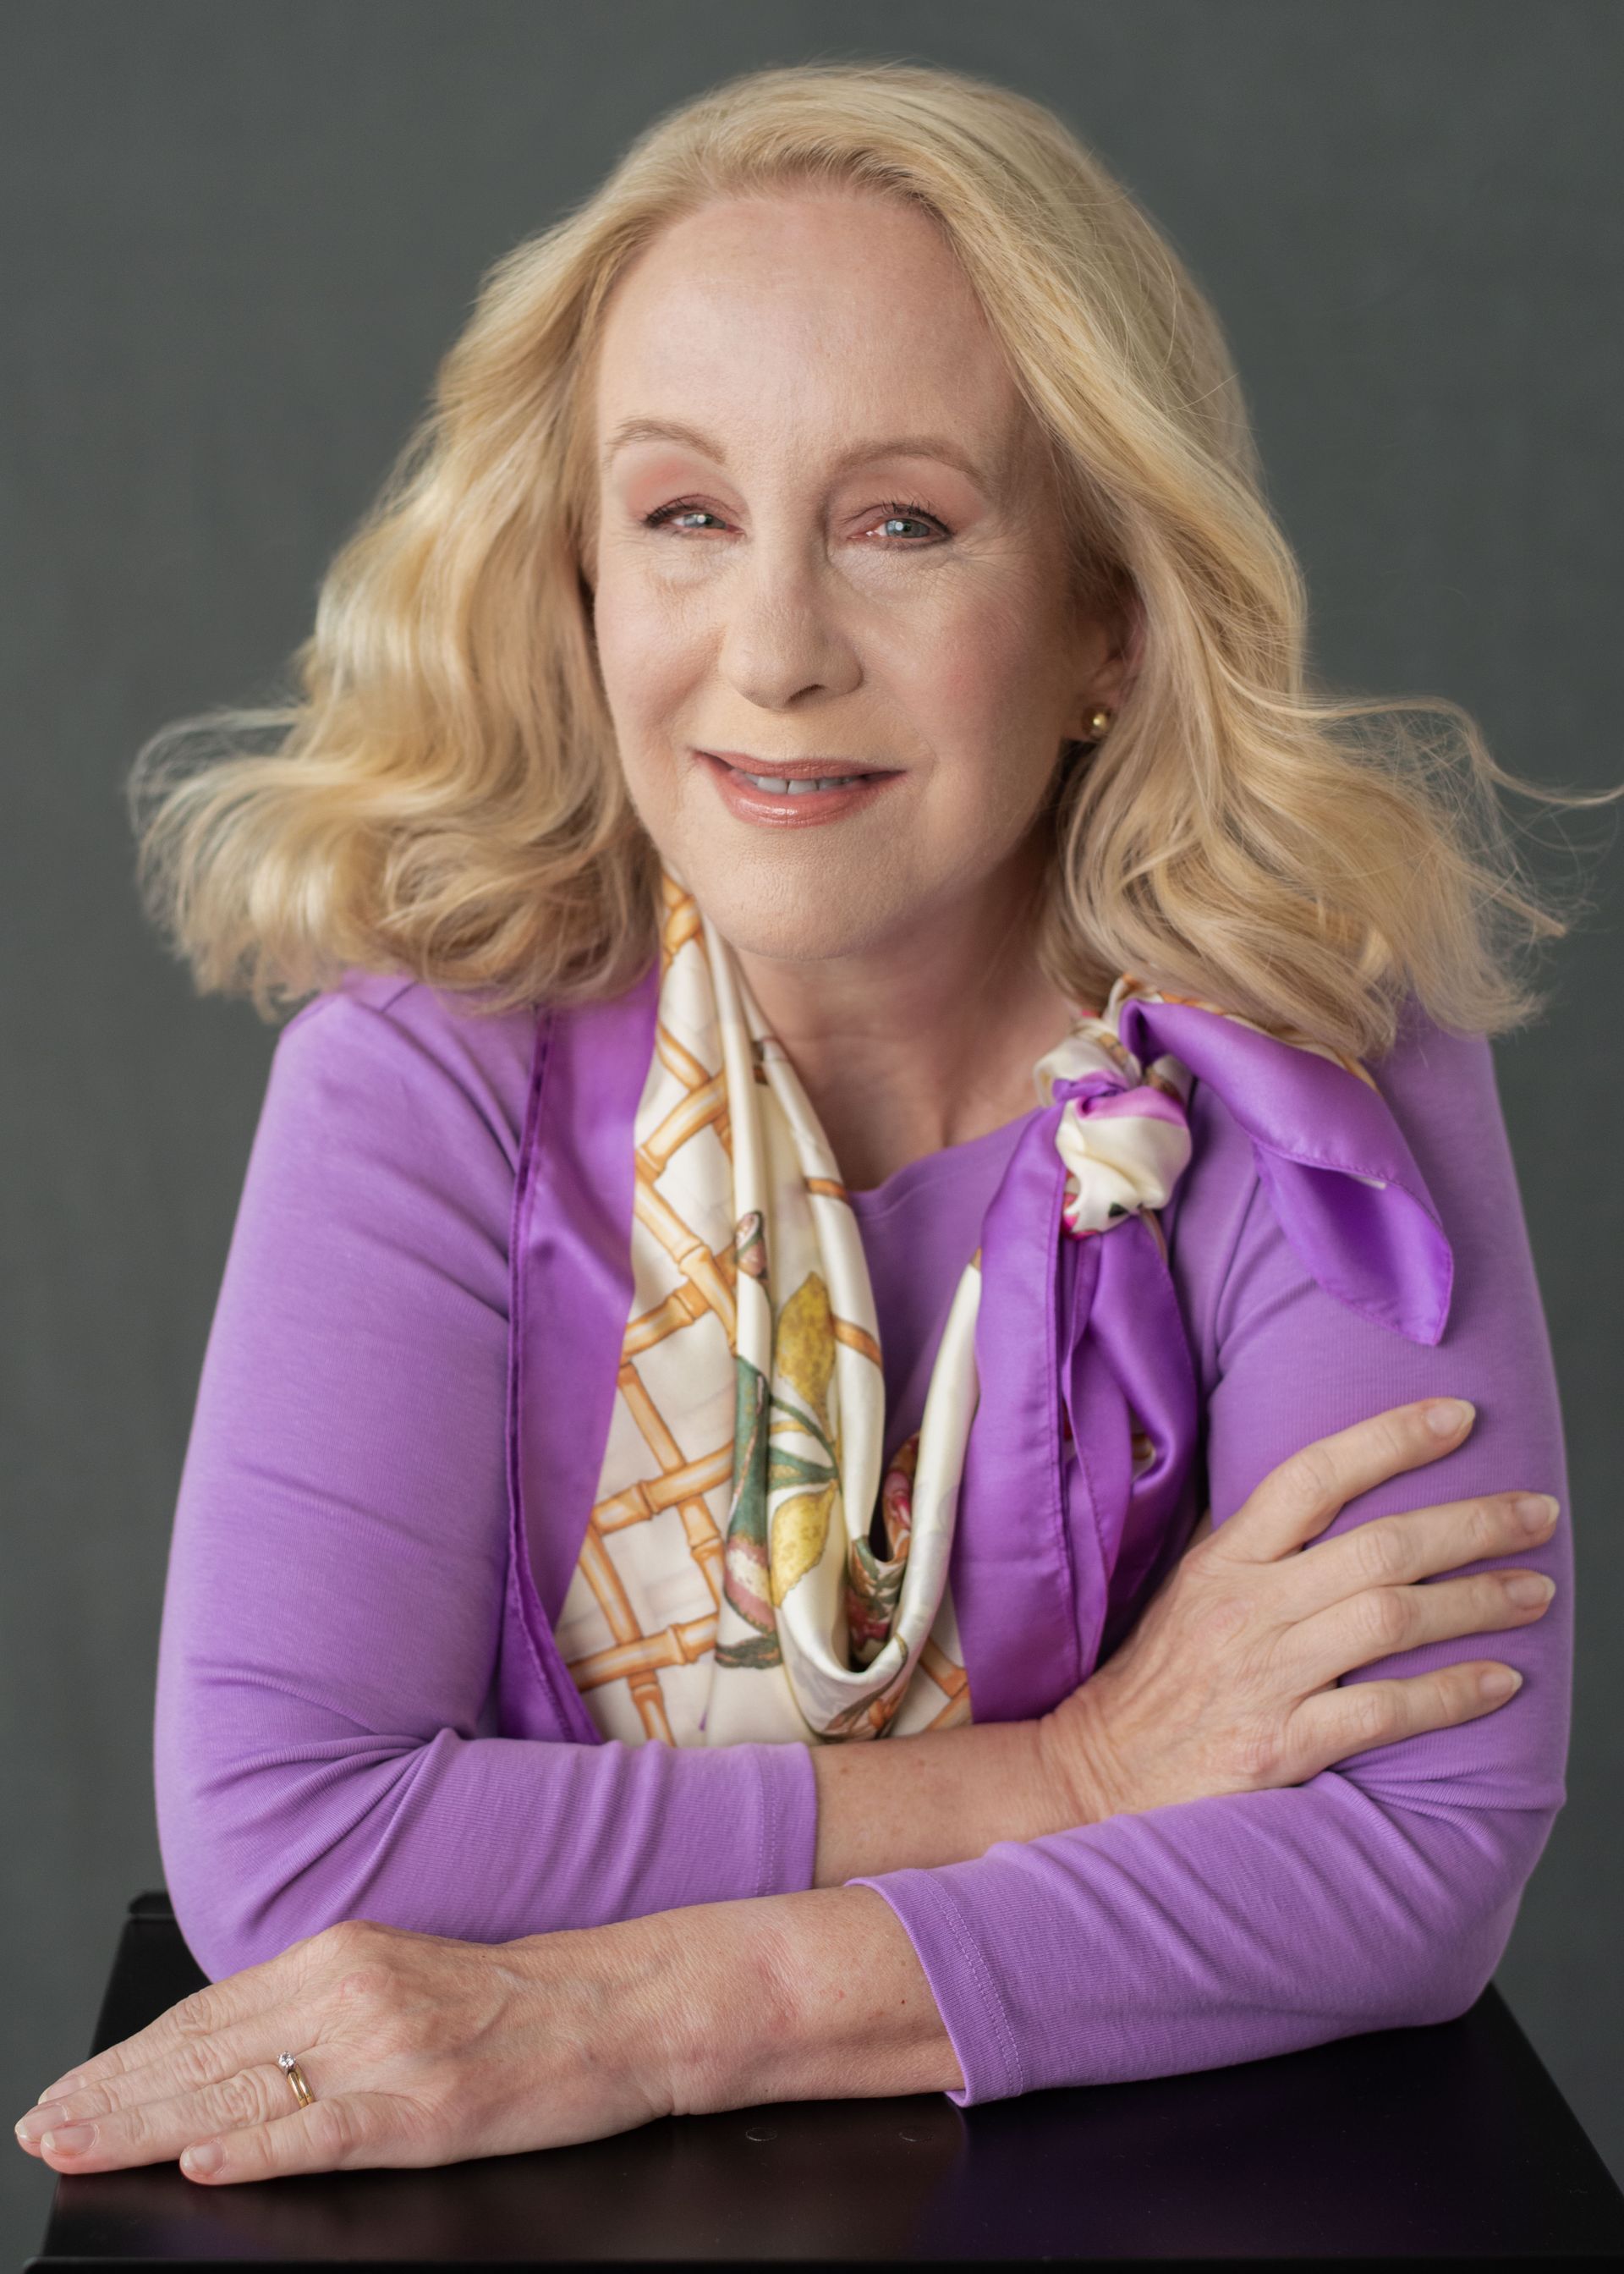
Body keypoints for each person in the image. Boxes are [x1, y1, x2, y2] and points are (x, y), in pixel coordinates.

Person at [14, 59, 1608, 2189]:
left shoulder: (1321, 1052)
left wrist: (641, 2009)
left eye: (904, 525)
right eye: (683, 514)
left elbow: (1411, 1855)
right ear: (579, 575)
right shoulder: (425, 1078)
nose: (770, 650)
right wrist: (1083, 1778)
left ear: (1106, 622)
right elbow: (301, 1851)